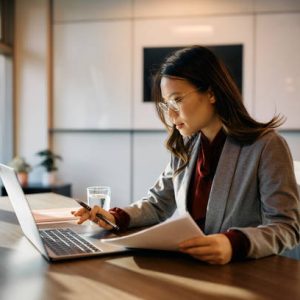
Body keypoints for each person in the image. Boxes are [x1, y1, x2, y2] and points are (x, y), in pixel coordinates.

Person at [73, 45, 300, 265]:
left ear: (211, 93)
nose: (171, 114)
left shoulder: (266, 146)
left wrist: (233, 243)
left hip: (247, 273)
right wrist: (114, 217)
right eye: (166, 104)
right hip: (194, 267)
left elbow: (286, 227)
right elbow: (157, 204)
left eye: (177, 100)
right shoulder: (187, 145)